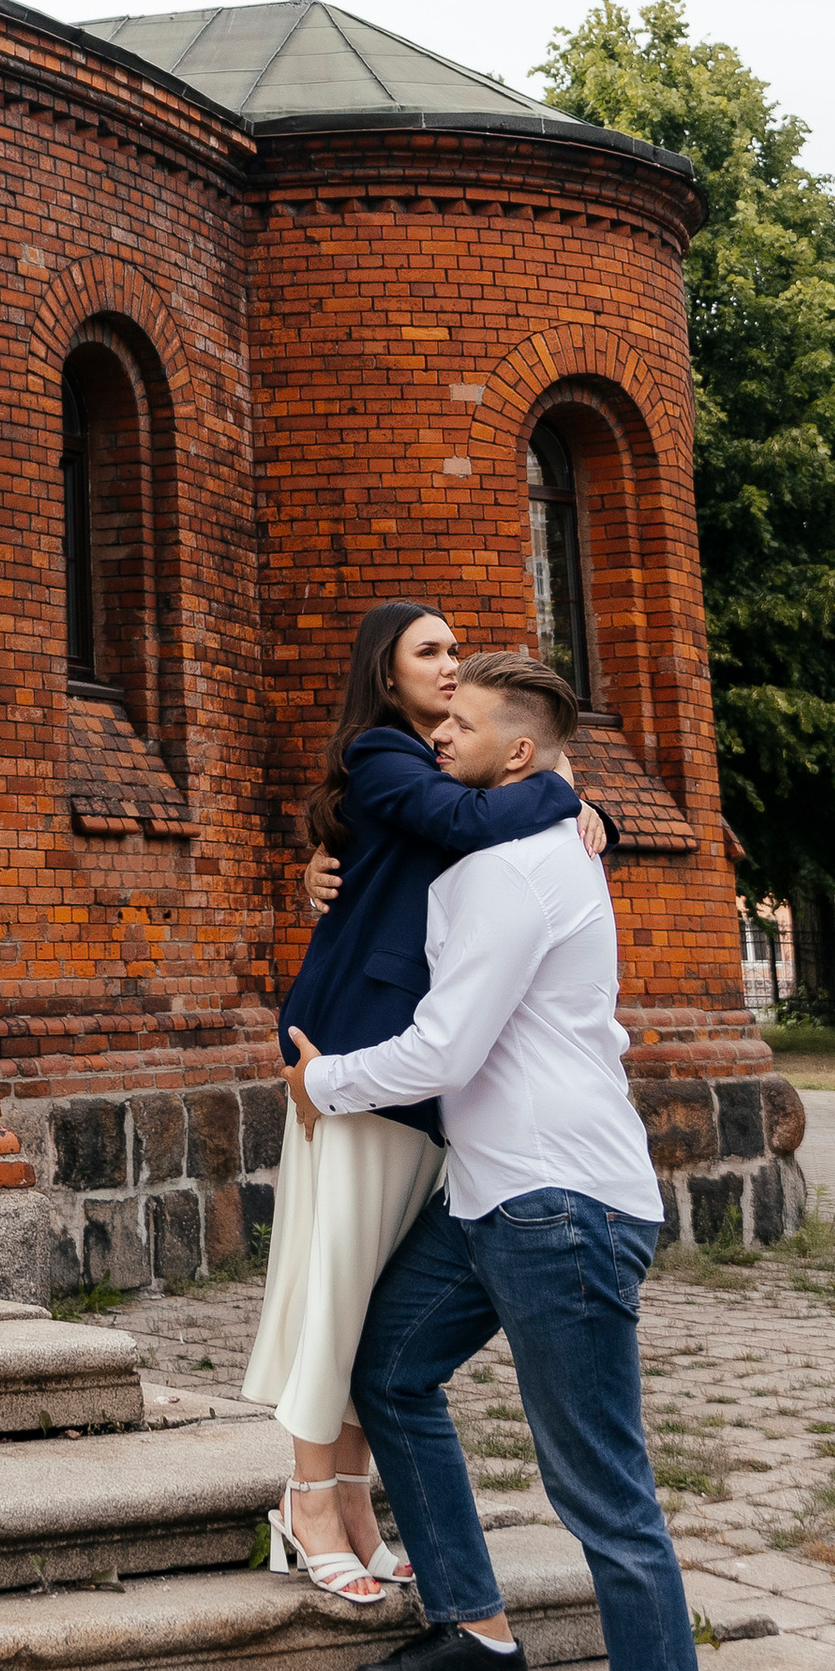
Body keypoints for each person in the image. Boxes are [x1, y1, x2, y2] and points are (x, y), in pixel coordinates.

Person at [287, 647, 714, 1671]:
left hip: (558, 1208)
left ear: (514, 754)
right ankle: (473, 1634)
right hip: (497, 1195)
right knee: (391, 1366)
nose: (437, 734)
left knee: (605, 1500)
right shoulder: (508, 853)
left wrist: (326, 1081)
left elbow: (445, 1044)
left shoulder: (519, 872)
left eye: (458, 722)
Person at [243, 600, 604, 1608]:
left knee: (366, 1298)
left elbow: (454, 838)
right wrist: (567, 791)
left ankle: (354, 1501)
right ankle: (308, 1502)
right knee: (336, 1283)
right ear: (385, 672)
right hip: (351, 1054)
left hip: (413, 1070)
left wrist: (569, 796)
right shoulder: (384, 754)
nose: (449, 671)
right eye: (430, 653)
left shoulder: (449, 761)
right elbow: (461, 824)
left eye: (455, 653)